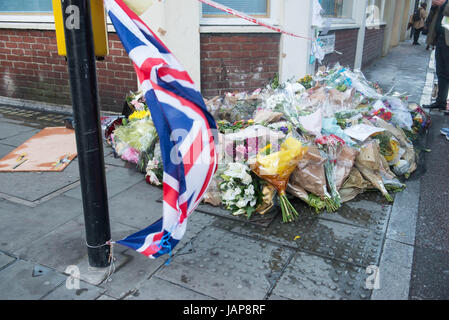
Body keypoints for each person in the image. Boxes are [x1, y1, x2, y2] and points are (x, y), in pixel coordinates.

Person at [424, 0, 449, 114]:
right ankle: (440, 102)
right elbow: (432, 19)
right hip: (440, 39)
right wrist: (434, 7)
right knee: (441, 72)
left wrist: (443, 4)